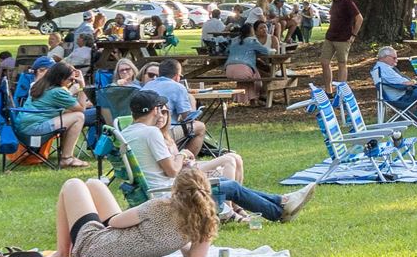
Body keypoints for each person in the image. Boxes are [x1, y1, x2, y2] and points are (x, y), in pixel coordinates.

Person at [118, 89, 310, 224]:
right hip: (168, 193)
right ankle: (279, 211)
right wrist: (183, 154)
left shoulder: (126, 133)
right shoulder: (151, 133)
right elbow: (171, 171)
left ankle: (282, 201)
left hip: (155, 192)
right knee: (231, 187)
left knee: (227, 184)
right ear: (156, 110)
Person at [53, 167, 220, 257]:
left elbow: (115, 222)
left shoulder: (160, 206)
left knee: (73, 184)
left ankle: (62, 254)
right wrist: (181, 242)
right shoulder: (206, 221)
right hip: (115, 246)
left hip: (93, 248)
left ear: (175, 189)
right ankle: (63, 252)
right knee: (94, 185)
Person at [12, 61, 91, 167]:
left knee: (70, 114)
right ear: (61, 78)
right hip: (34, 129)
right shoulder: (57, 92)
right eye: (70, 80)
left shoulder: (40, 85)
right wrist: (82, 85)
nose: (72, 82)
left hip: (22, 129)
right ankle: (66, 158)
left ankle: (66, 155)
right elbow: (81, 108)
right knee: (79, 117)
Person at [306, 0, 361, 92]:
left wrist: (353, 35)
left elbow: (359, 18)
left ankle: (341, 92)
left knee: (341, 64)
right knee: (324, 62)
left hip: (343, 38)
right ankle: (328, 90)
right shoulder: (335, 1)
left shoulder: (347, 1)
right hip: (330, 37)